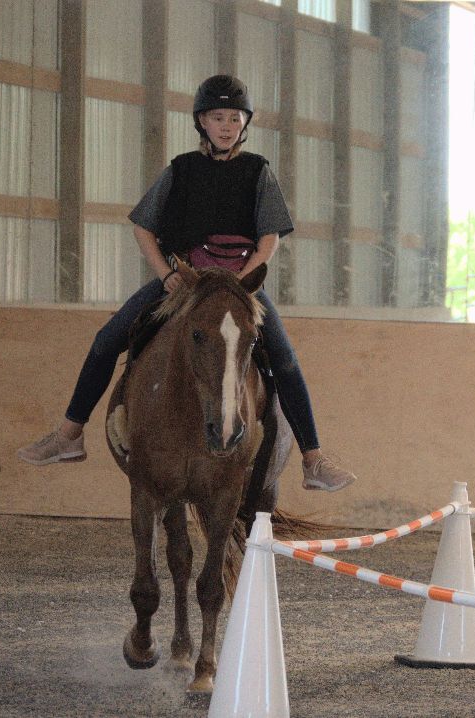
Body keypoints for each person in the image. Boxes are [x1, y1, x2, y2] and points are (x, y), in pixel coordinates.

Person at [18, 75, 356, 493]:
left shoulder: (258, 172)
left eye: (235, 118)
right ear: (202, 122)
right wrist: (166, 274)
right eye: (218, 118)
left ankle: (313, 459)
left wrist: (245, 281)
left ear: (245, 123)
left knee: (284, 358)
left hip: (240, 285)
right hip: (186, 282)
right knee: (107, 339)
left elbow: (269, 237)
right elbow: (143, 227)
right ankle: (69, 435)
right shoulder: (180, 170)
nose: (227, 126)